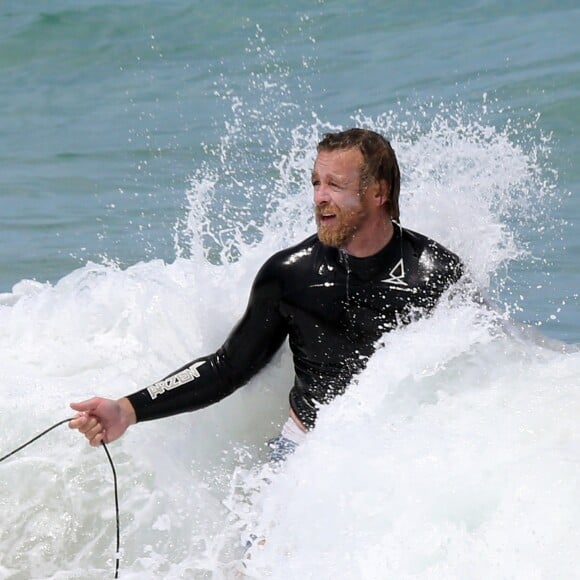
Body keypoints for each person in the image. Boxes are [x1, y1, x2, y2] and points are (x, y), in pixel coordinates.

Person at [69, 128, 464, 462]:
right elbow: (228, 368)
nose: (319, 197)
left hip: (403, 452)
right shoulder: (292, 274)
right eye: (316, 183)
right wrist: (126, 409)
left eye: (335, 185)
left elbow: (479, 371)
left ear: (378, 193)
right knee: (260, 552)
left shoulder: (435, 274)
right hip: (305, 448)